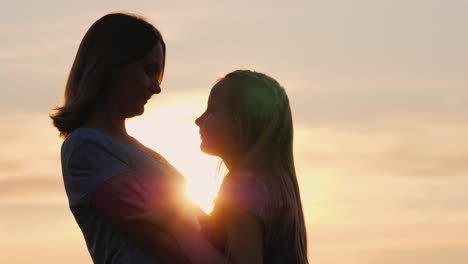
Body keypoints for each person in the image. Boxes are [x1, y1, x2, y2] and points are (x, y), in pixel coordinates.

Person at [124, 70, 309, 263]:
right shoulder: (278, 186)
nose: (199, 120)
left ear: (239, 124)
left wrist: (178, 226)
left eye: (212, 109)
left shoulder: (243, 186)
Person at [50, 12, 191, 264]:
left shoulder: (138, 150)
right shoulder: (86, 147)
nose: (156, 87)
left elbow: (189, 229)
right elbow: (163, 244)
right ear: (111, 66)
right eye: (149, 70)